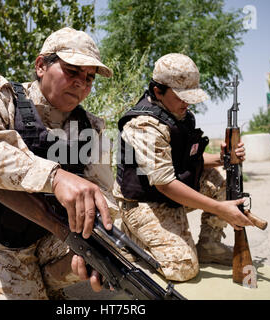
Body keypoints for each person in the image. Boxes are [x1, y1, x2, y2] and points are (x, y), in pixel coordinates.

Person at [0, 27, 118, 299]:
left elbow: (103, 192)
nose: (81, 84)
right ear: (41, 66)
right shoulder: (3, 99)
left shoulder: (90, 128)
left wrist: (97, 240)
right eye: (72, 71)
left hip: (47, 233)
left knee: (109, 245)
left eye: (89, 78)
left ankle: (35, 282)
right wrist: (55, 177)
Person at [113, 53, 255, 282]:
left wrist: (224, 158)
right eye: (182, 97)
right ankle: (128, 241)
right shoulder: (144, 125)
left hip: (170, 193)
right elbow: (166, 184)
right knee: (183, 267)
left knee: (224, 179)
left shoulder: (177, 114)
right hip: (144, 203)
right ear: (158, 91)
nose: (187, 103)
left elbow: (189, 161)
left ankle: (210, 245)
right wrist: (221, 209)